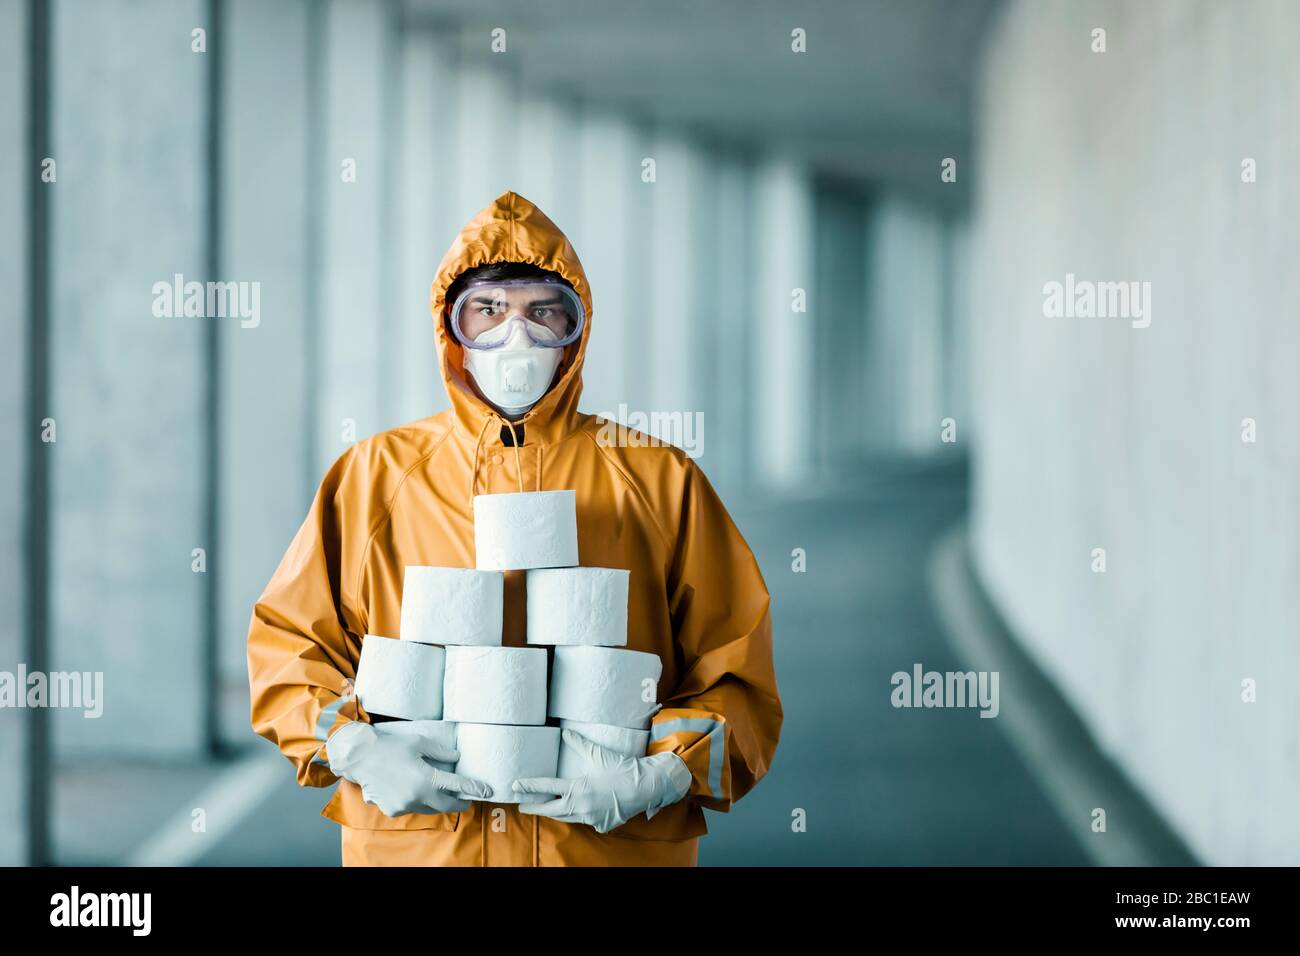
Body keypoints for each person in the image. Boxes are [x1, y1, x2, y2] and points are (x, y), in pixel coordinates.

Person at [247, 190, 782, 866]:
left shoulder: (658, 479)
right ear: (453, 329)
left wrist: (662, 773)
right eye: (491, 311)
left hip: (599, 854)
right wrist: (352, 747)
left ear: (575, 333)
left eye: (543, 312)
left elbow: (736, 664)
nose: (516, 337)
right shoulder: (375, 477)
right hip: (423, 852)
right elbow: (289, 644)